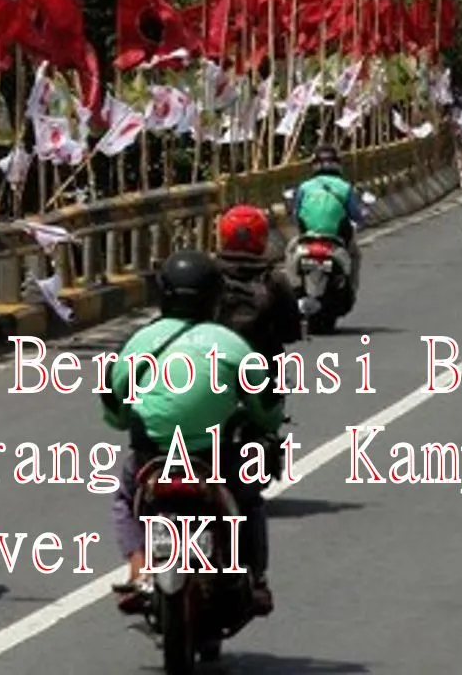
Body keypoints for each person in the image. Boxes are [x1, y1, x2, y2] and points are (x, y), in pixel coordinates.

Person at [103, 251, 282, 615]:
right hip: (212, 457)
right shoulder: (231, 344)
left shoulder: (140, 342)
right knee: (247, 500)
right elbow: (267, 408)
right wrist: (261, 424)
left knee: (126, 498)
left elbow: (114, 410)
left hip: (152, 455)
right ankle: (257, 579)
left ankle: (138, 568)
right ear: (214, 296)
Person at [213, 204, 302, 390]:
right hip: (263, 367)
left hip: (213, 362)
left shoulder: (208, 275)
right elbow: (291, 331)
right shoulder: (274, 279)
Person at [290, 144, 367, 298]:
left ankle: (294, 286)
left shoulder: (305, 187)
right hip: (336, 241)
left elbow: (295, 214)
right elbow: (356, 216)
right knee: (355, 255)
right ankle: (351, 289)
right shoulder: (345, 187)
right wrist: (363, 216)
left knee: (290, 250)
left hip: (307, 239)